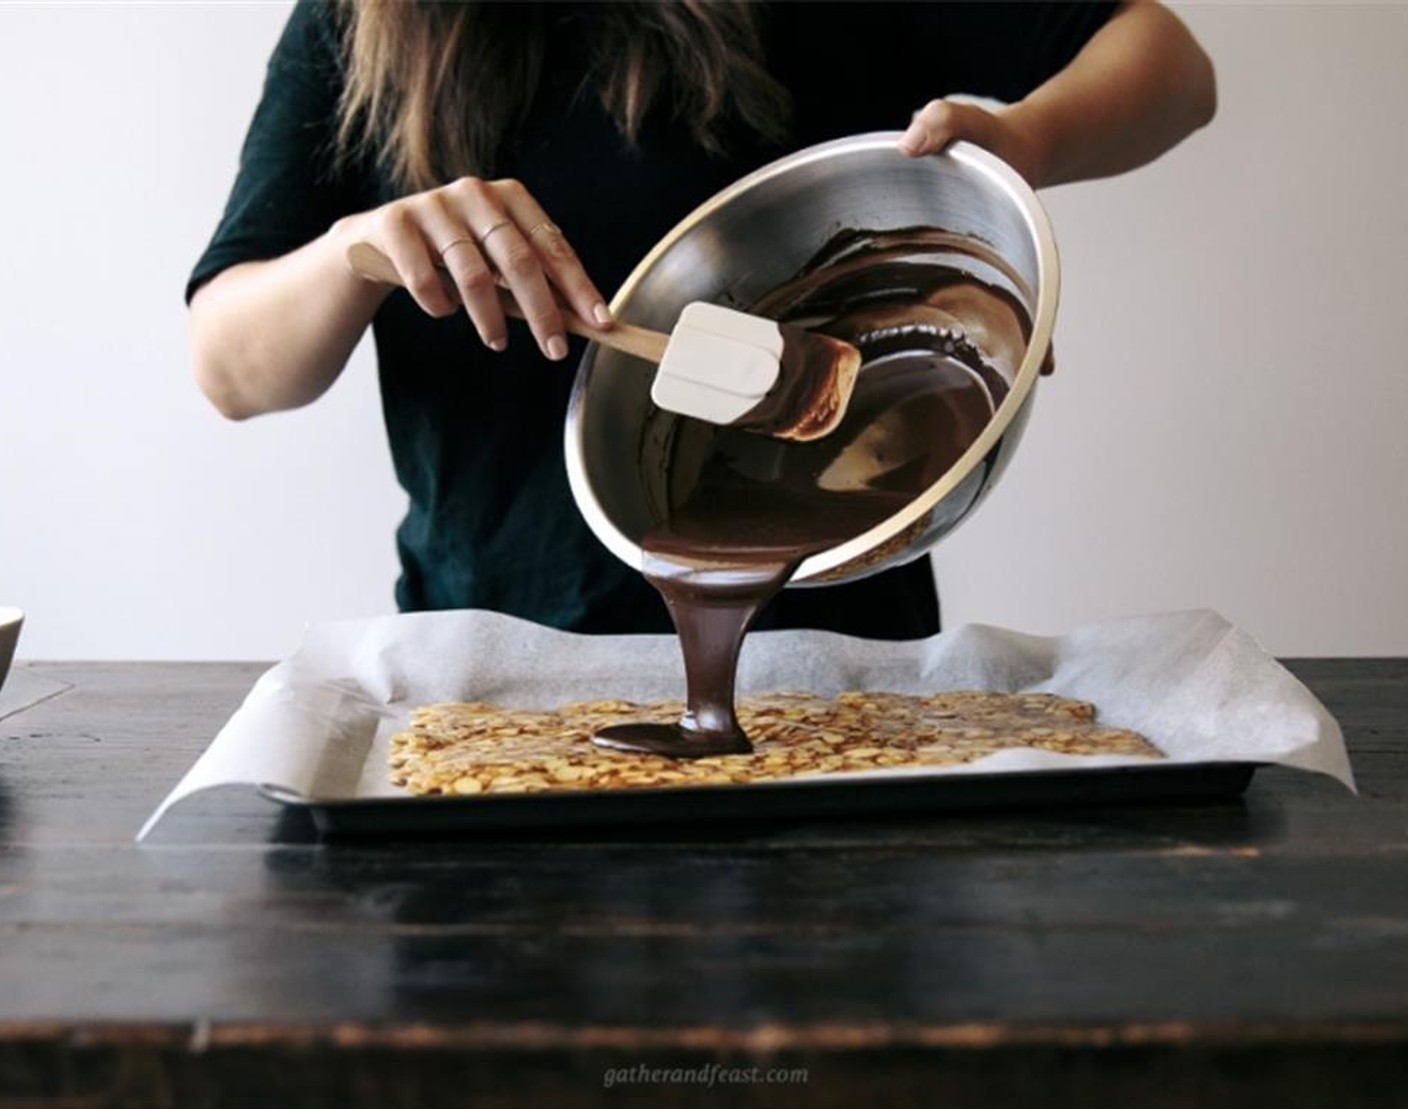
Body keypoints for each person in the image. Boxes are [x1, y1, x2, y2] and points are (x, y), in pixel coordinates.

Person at [188, 1, 1215, 639]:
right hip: (485, 666)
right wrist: (358, 252)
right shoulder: (359, 24)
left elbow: (1169, 66)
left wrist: (1019, 142)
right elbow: (232, 368)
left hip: (841, 669)